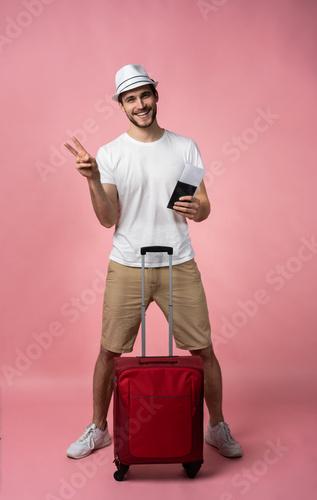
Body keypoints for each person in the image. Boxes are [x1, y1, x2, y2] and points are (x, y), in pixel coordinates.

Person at [64, 64, 242, 460]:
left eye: (145, 94)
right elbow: (108, 218)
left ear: (156, 96)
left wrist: (198, 208)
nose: (140, 104)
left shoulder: (185, 147)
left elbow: (204, 205)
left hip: (179, 262)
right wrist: (93, 178)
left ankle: (217, 427)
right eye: (131, 98)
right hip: (128, 265)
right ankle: (98, 428)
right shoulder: (110, 154)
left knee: (205, 350)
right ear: (122, 106)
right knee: (109, 351)